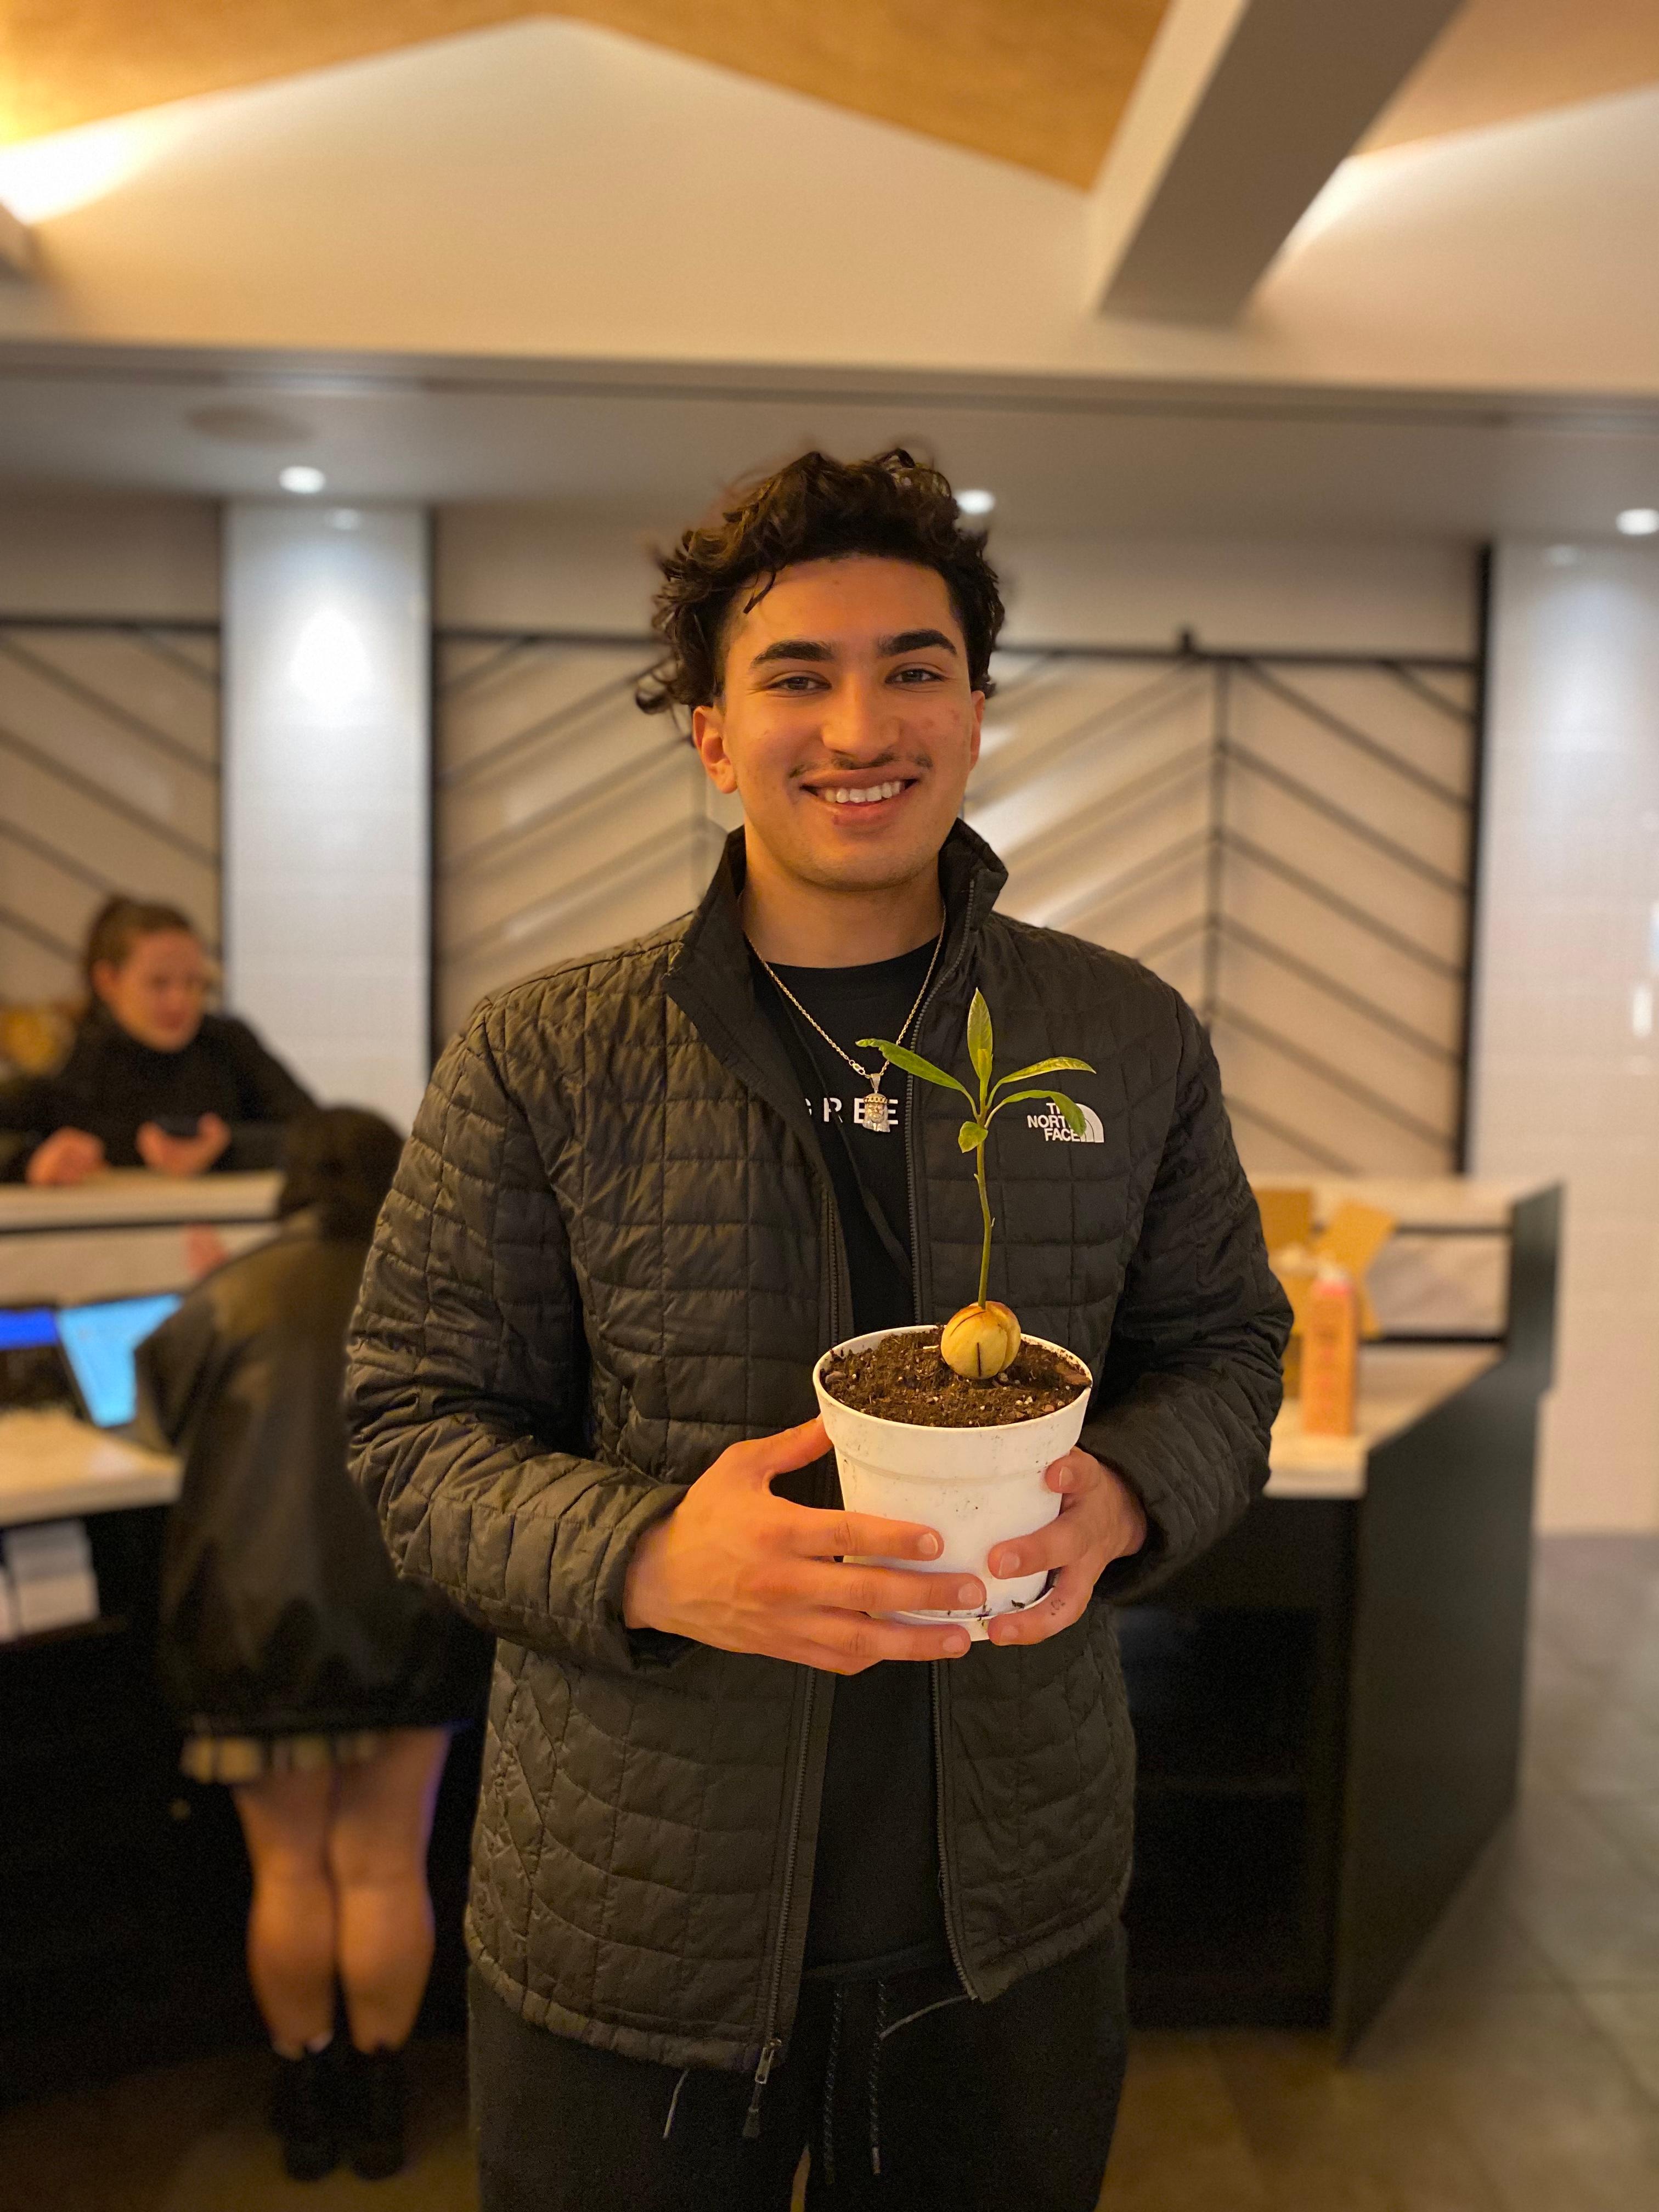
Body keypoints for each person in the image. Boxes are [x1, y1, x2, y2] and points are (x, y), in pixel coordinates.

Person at [346, 450, 1290, 2211]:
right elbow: (411, 1428)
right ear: (712, 731)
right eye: (796, 674)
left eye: (915, 667)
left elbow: (1232, 1350)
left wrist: (1135, 1493)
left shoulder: (1124, 1034)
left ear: (977, 710)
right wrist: (645, 1556)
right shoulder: (546, 1054)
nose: (863, 720)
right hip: (633, 1928)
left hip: (1008, 1917)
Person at [137, 1107, 491, 2185]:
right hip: (407, 1623)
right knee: (386, 1867)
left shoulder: (235, 1288)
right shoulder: (435, 1292)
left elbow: (154, 1419)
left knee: (288, 1871)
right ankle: (381, 2107)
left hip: (256, 1637)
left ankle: (307, 2093)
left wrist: (216, 1279)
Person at [0, 895, 313, 1184]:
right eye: (159, 984)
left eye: (194, 983)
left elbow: (323, 1137)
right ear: (108, 981)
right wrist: (30, 1163)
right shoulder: (66, 1057)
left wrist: (226, 1148)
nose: (180, 1002)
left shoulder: (227, 1042)